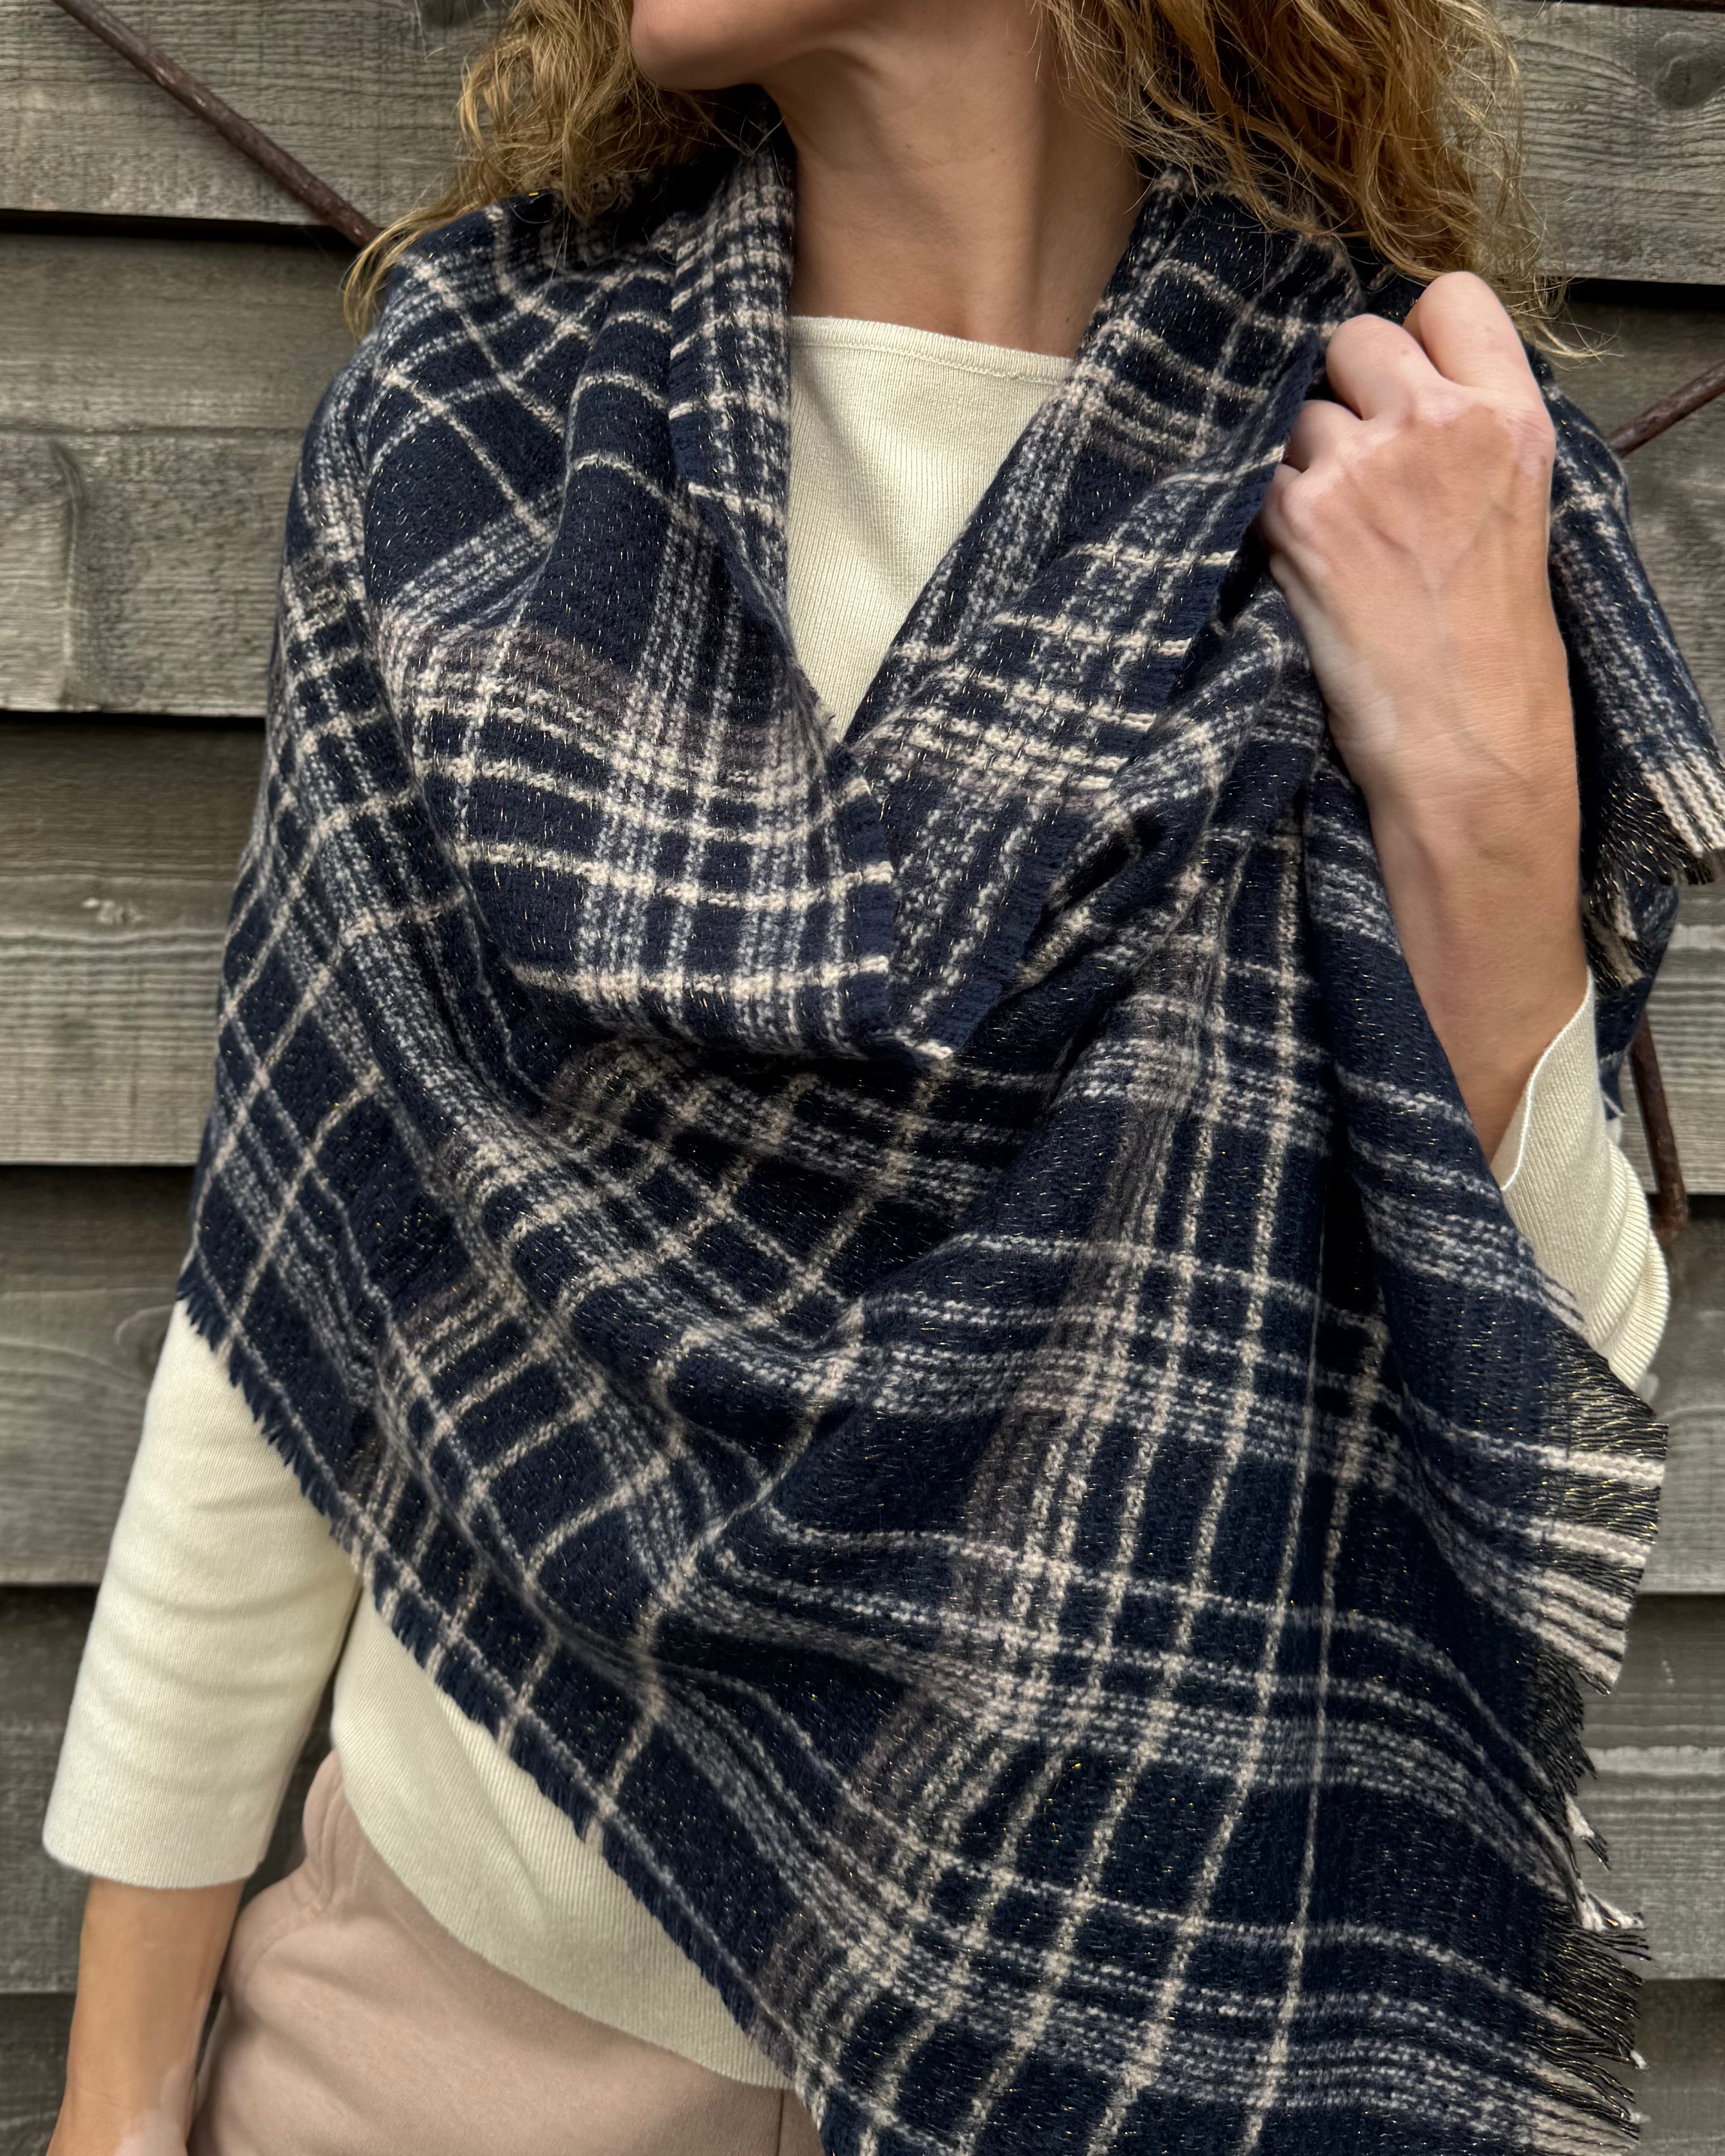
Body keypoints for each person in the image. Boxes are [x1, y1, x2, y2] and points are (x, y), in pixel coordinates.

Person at [44, 3, 1717, 2153]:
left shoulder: (1393, 469)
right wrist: (111, 2096)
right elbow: (288, 1301)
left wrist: (1482, 792)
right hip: (439, 2049)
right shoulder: (485, 435)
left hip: (1125, 2043)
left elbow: (1550, 1403)